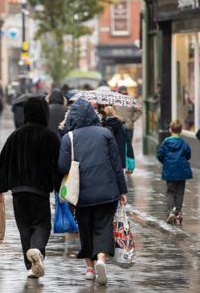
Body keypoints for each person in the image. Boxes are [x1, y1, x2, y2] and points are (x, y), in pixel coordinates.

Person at [58, 98, 128, 285]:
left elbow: (62, 166)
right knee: (104, 226)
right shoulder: (105, 133)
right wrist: (123, 191)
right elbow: (116, 165)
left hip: (80, 194)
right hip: (107, 191)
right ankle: (102, 259)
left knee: (85, 228)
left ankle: (89, 268)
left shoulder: (68, 138)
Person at [0, 97, 61, 279]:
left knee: (24, 227)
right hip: (39, 190)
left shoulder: (16, 136)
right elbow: (58, 167)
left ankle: (30, 265)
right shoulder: (50, 137)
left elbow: (2, 164)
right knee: (42, 224)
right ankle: (37, 250)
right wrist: (59, 187)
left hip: (18, 192)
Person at [157, 120, 192, 225]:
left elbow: (160, 155)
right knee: (180, 192)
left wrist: (166, 162)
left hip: (170, 171)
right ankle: (178, 211)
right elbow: (188, 155)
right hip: (182, 172)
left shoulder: (165, 142)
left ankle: (171, 210)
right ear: (180, 131)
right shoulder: (183, 143)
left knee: (171, 191)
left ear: (170, 130)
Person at [102, 106, 135, 173]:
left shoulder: (105, 125)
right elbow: (128, 143)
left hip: (108, 156)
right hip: (120, 156)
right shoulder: (121, 125)